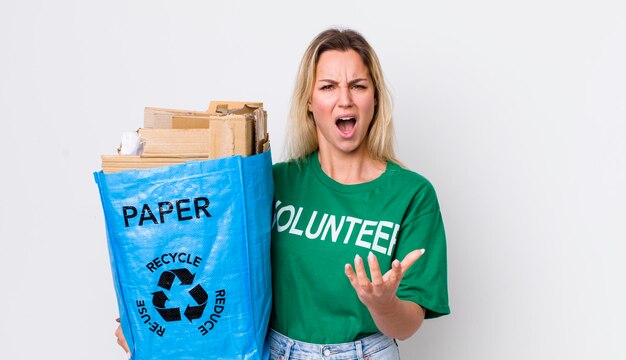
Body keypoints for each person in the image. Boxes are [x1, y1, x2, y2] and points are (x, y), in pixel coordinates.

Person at [116, 27, 450, 359]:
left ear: (374, 99)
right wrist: (152, 331)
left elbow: (407, 326)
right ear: (309, 101)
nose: (345, 99)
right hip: (278, 352)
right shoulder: (272, 184)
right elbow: (213, 266)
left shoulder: (412, 195)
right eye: (329, 87)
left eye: (358, 86)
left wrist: (384, 303)